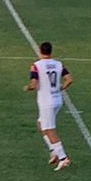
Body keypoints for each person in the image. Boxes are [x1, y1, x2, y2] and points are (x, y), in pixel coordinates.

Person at [25, 40, 74, 170]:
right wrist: (61, 88)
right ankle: (54, 150)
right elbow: (69, 79)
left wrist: (28, 88)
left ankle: (63, 158)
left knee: (49, 129)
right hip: (57, 100)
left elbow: (34, 84)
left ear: (40, 51)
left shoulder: (36, 65)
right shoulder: (58, 64)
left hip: (46, 102)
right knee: (41, 123)